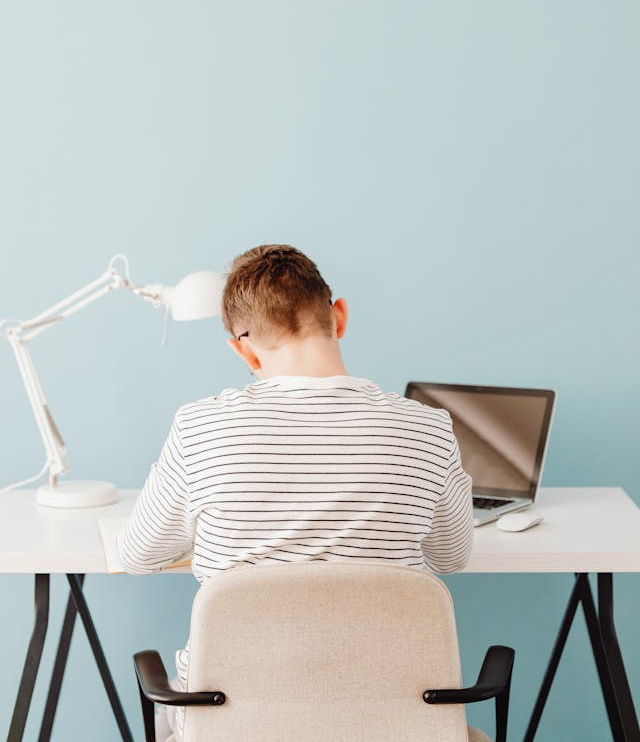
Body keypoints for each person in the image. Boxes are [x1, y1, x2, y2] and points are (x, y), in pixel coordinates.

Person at [117, 244, 473, 739]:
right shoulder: (428, 429)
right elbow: (453, 555)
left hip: (229, 723)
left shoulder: (200, 428)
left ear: (242, 348)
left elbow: (138, 554)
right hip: (393, 721)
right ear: (339, 316)